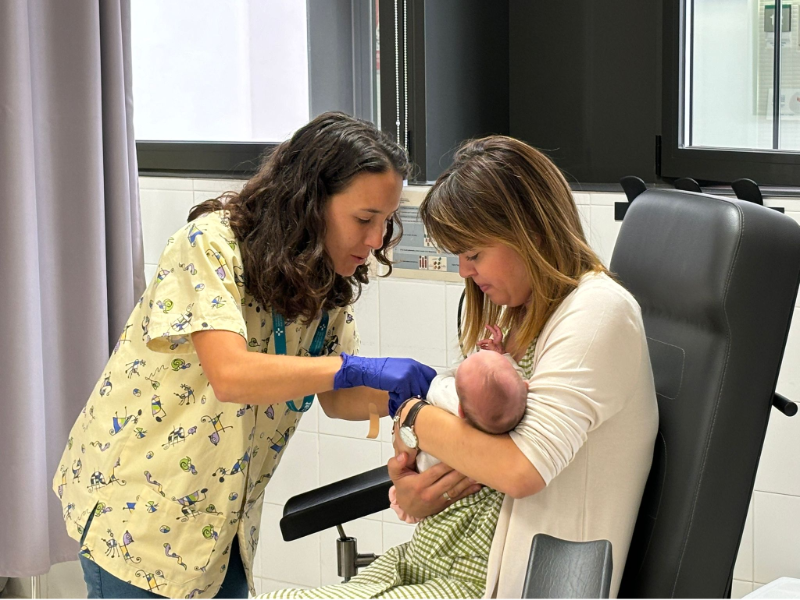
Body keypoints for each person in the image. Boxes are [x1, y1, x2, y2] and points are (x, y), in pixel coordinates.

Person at [51, 112, 438, 600]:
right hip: (140, 519)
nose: (378, 240)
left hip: (221, 530)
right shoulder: (210, 246)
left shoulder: (324, 281)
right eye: (364, 219)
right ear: (310, 201)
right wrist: (353, 368)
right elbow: (231, 375)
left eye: (386, 221)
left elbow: (338, 399)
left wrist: (428, 398)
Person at [260, 135, 658, 600]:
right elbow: (454, 426)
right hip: (433, 558)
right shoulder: (518, 312)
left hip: (489, 580)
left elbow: (518, 468)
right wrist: (407, 482)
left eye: (473, 254)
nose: (465, 272)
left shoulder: (597, 313)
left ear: (526, 229)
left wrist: (410, 413)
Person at [389, 327, 528, 525]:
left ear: (461, 411)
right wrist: (502, 356)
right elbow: (515, 378)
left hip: (431, 485)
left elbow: (437, 386)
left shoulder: (456, 404)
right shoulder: (514, 405)